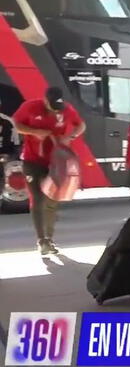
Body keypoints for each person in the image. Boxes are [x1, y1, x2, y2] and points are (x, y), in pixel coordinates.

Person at [12, 87, 86, 255]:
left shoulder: (67, 109)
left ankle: (50, 239)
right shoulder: (30, 107)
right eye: (52, 108)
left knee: (52, 199)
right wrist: (34, 132)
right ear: (45, 100)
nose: (55, 112)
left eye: (58, 108)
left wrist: (70, 137)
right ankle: (41, 240)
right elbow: (17, 124)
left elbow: (81, 125)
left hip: (55, 161)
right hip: (32, 161)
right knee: (37, 198)